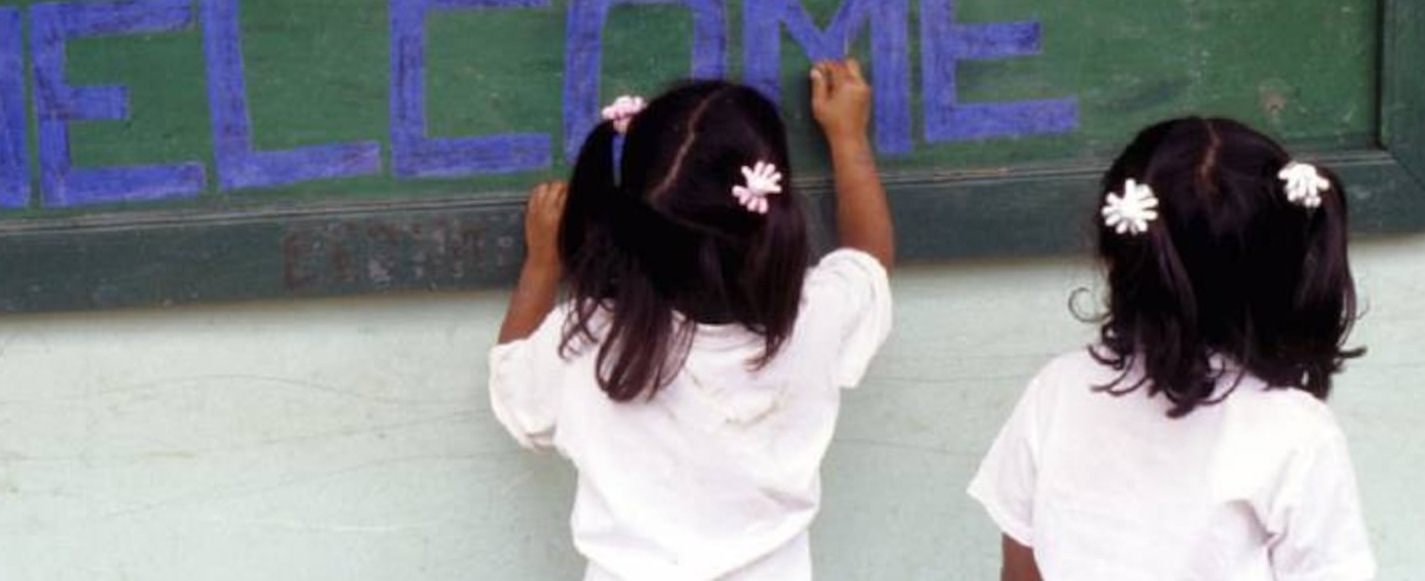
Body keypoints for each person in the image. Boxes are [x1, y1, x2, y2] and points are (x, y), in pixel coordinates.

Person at [489, 61, 895, 580]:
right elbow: (869, 263)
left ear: (630, 221)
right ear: (773, 206)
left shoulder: (592, 343)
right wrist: (848, 138)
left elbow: (514, 388)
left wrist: (543, 266)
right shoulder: (811, 318)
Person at [970, 117, 1373, 581]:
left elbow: (1021, 571)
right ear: (1287, 265)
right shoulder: (1297, 431)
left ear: (1113, 255)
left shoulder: (1058, 390)